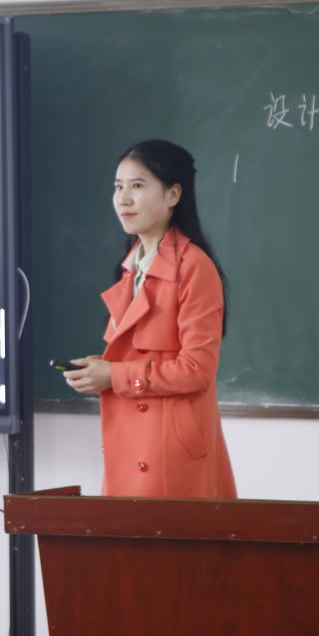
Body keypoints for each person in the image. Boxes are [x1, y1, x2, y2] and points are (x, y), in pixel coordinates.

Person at [64, 140, 237, 499]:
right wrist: (99, 370)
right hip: (131, 444)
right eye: (118, 187)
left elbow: (197, 369)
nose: (123, 199)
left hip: (169, 455)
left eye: (138, 186)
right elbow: (139, 357)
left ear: (173, 194)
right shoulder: (132, 267)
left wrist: (114, 375)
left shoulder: (194, 267)